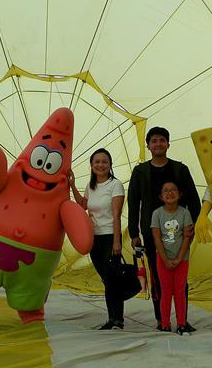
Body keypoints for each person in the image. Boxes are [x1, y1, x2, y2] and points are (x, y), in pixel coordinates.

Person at [127, 126, 201, 328]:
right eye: (154, 141)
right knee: (159, 277)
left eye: (162, 140)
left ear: (168, 144)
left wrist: (194, 225)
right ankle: (162, 319)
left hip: (179, 233)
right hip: (152, 234)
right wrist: (134, 233)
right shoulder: (140, 171)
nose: (158, 144)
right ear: (148, 145)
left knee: (180, 277)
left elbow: (194, 201)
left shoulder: (180, 169)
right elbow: (133, 202)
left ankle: (182, 320)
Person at [70, 148, 126, 329]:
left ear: (110, 165)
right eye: (97, 162)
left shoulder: (115, 185)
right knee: (106, 279)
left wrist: (117, 241)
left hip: (110, 236)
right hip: (94, 239)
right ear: (92, 165)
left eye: (104, 162)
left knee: (112, 279)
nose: (100, 165)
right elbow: (83, 206)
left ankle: (116, 319)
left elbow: (117, 215)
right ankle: (113, 317)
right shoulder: (90, 186)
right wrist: (72, 185)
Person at [150, 181, 194, 335]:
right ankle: (165, 324)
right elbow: (157, 239)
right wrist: (166, 260)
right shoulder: (157, 214)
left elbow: (187, 238)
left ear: (179, 194)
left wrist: (179, 259)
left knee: (180, 291)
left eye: (173, 190)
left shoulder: (185, 213)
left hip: (183, 259)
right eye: (166, 191)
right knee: (166, 292)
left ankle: (182, 323)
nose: (170, 193)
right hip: (163, 260)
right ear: (161, 196)